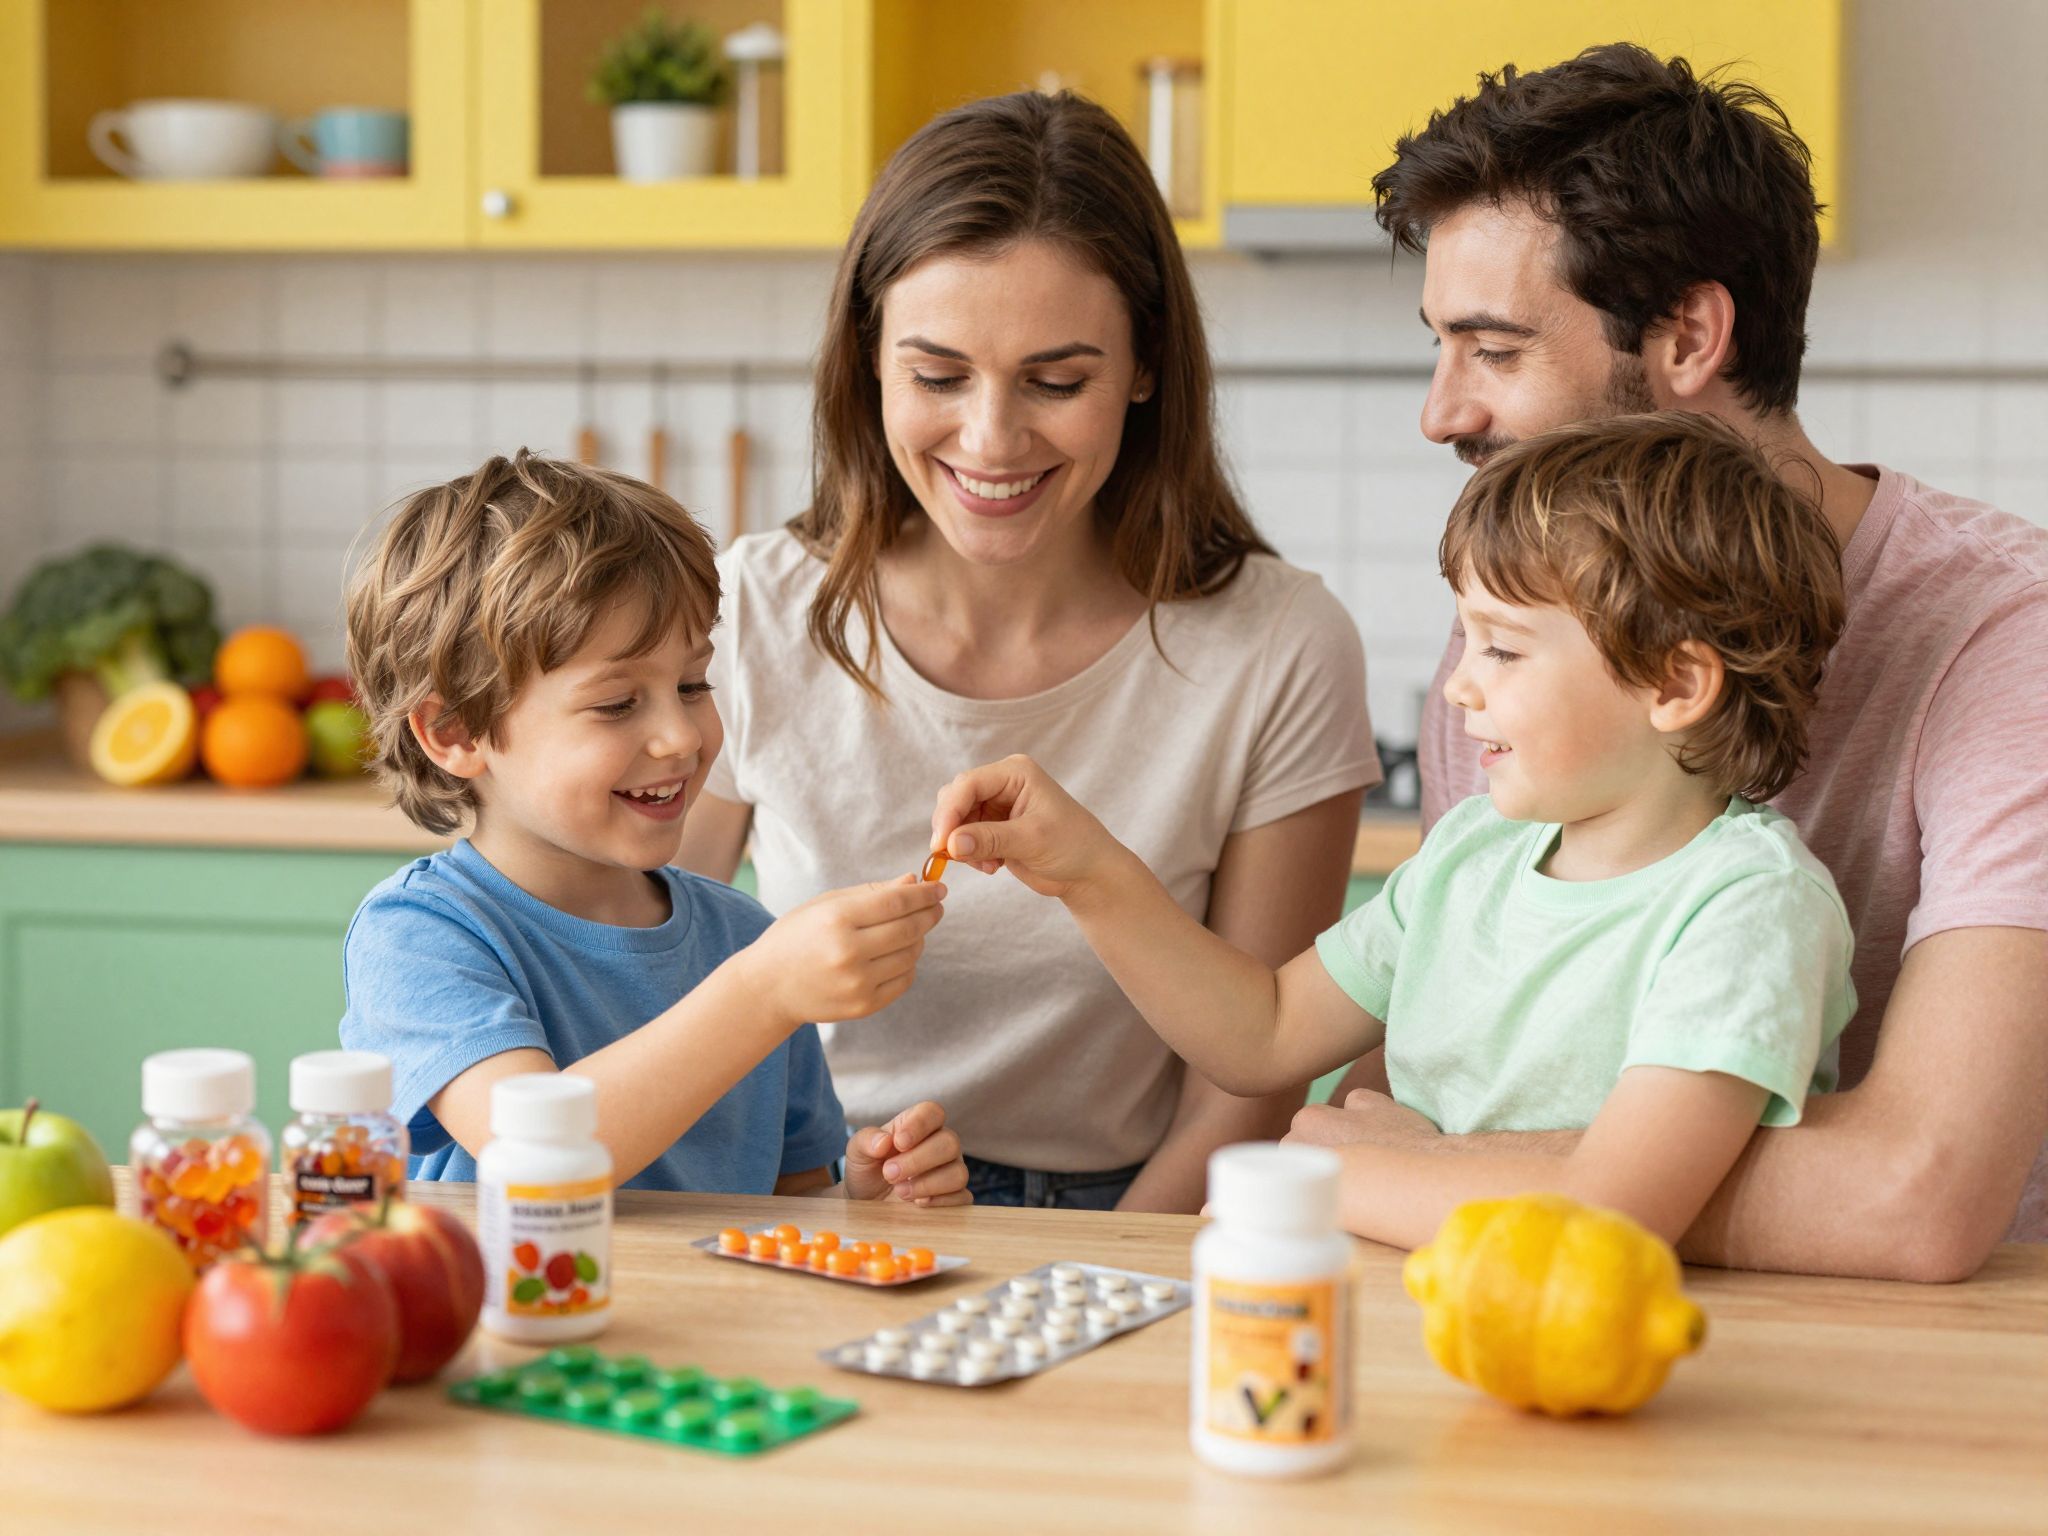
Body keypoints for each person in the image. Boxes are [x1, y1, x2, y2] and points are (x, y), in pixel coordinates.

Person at [1305, 43, 2048, 1276]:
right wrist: (1418, 1166)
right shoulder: (1521, 641)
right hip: (1561, 1310)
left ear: (1689, 336)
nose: (1440, 413)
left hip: (1919, 1358)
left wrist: (1429, 1174)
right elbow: (1431, 1067)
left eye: (1494, 350)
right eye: (1439, 347)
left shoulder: (2008, 640)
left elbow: (1917, 1195)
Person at [675, 92, 1379, 1213]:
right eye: (937, 377)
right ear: (868, 360)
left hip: (1135, 1214)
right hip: (813, 1195)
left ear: (1145, 365)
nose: (991, 439)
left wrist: (1091, 1280)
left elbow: (1247, 1089)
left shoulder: (1280, 645)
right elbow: (647, 992)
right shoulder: (752, 610)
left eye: (1056, 382)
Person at [927, 413, 1856, 1247]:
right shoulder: (1472, 854)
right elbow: (1263, 1032)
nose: (1458, 685)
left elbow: (1613, 1214)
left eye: (1503, 647)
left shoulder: (1748, 908)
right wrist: (1088, 871)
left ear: (1675, 684)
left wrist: (1329, 1180)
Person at [338, 450, 969, 1205]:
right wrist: (764, 992)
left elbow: (788, 1205)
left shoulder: (746, 939)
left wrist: (863, 1204)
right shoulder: (419, 937)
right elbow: (537, 1157)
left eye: (693, 684)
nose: (682, 736)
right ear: (455, 731)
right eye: (617, 704)